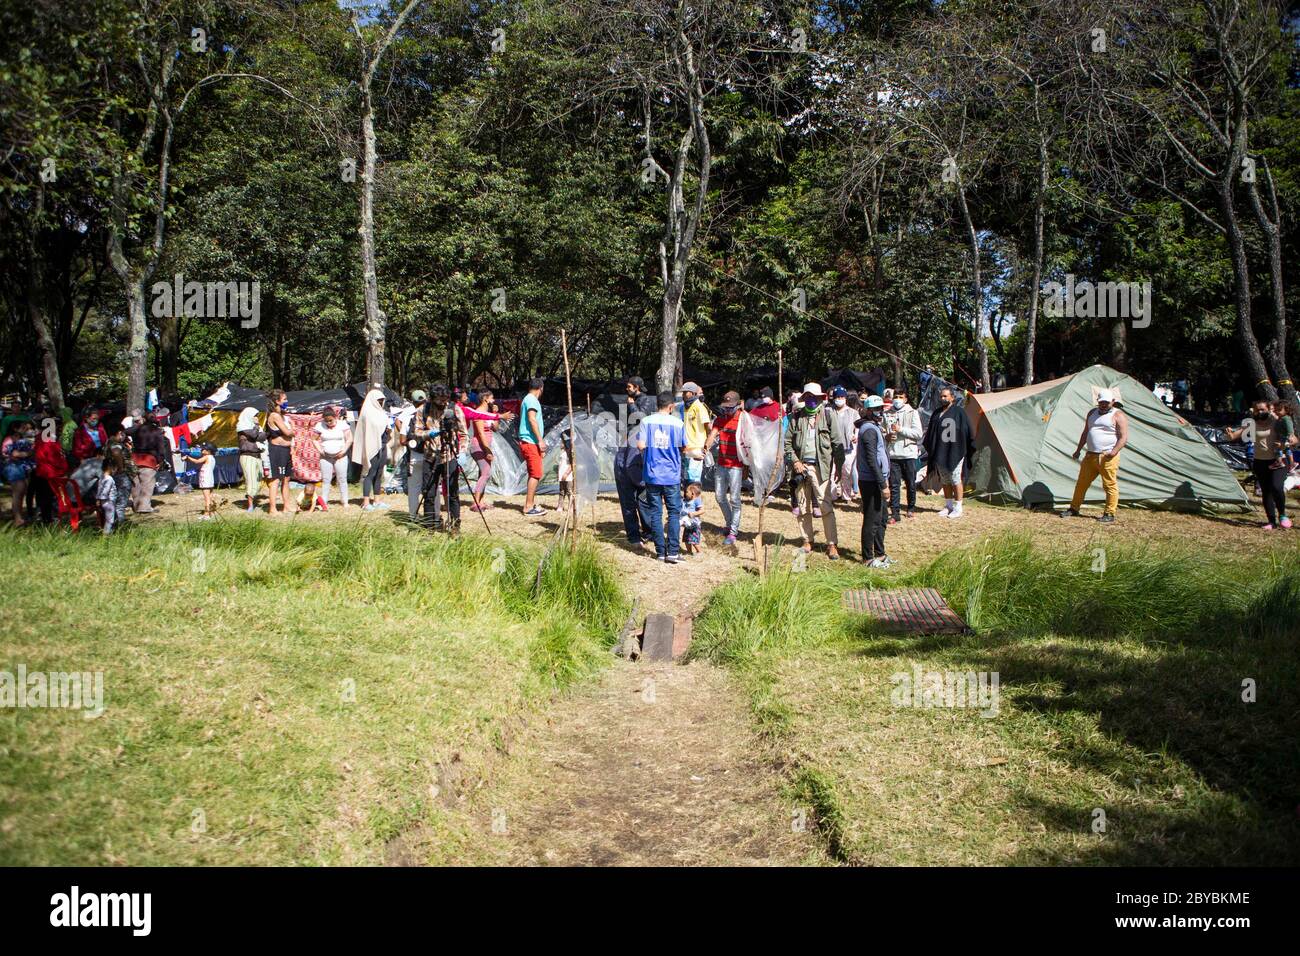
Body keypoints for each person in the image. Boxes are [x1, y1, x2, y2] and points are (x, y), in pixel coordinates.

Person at [784, 382, 844, 560]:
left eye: (814, 397)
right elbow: (787, 444)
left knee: (825, 505)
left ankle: (831, 543)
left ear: (820, 398)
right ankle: (806, 540)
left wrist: (839, 468)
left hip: (821, 467)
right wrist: (795, 461)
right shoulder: (796, 417)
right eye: (807, 397)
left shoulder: (828, 415)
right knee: (803, 506)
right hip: (800, 468)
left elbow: (837, 444)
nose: (811, 400)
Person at [1061, 388, 1128, 524]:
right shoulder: (1092, 413)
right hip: (1090, 455)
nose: (1104, 405)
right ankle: (1074, 509)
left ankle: (1109, 513)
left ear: (1113, 402)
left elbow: (1123, 437)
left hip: (1107, 456)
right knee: (1081, 484)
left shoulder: (1118, 415)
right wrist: (1078, 450)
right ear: (1098, 401)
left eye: (1107, 402)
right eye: (1101, 402)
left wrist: (1114, 452)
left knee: (1109, 485)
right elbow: (1086, 433)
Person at [637, 391, 687, 563]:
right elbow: (683, 448)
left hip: (652, 475)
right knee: (673, 512)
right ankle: (673, 552)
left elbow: (640, 445)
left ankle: (660, 552)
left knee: (655, 513)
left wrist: (651, 455)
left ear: (657, 404)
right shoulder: (678, 423)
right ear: (671, 406)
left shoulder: (645, 421)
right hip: (671, 475)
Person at [1226, 401, 1290, 529]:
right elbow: (1234, 436)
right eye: (1256, 410)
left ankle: (1282, 515)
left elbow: (1293, 438)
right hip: (1260, 461)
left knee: (1276, 487)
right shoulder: (1251, 423)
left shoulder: (1277, 421)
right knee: (1266, 491)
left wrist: (1289, 441)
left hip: (1278, 460)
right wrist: (1229, 434)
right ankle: (1271, 521)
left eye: (1262, 409)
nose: (1259, 412)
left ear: (1269, 409)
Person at [921, 387, 974, 519]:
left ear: (952, 398)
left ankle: (958, 506)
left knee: (955, 478)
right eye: (941, 396)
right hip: (940, 451)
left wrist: (962, 447)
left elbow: (966, 431)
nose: (943, 398)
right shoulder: (937, 413)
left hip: (955, 451)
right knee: (945, 479)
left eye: (945, 396)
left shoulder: (959, 412)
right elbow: (931, 433)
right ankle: (948, 505)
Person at [421, 384, 467, 530]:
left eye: (445, 399)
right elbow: (415, 431)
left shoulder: (454, 409)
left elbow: (464, 434)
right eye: (439, 400)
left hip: (450, 455)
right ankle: (429, 527)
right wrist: (428, 434)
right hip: (430, 456)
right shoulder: (424, 410)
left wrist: (463, 452)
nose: (443, 403)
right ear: (433, 398)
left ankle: (455, 527)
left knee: (453, 493)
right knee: (429, 493)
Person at [706, 390, 745, 547]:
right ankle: (729, 523)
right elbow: (712, 435)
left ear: (737, 405)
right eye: (726, 407)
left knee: (735, 499)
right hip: (721, 463)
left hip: (736, 465)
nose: (728, 410)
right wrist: (705, 448)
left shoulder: (743, 420)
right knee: (719, 496)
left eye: (731, 407)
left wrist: (748, 465)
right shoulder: (720, 420)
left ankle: (733, 531)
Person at [857, 395, 892, 567]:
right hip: (871, 481)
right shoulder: (869, 430)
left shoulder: (875, 428)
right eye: (877, 409)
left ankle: (880, 553)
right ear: (869, 411)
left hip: (878, 479)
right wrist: (883, 484)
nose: (880, 412)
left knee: (882, 517)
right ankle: (867, 558)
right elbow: (871, 460)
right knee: (872, 519)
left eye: (882, 409)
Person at [883, 386, 922, 521]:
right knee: (894, 485)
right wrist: (886, 436)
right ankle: (895, 513)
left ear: (905, 399)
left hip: (908, 454)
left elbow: (918, 433)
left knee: (911, 483)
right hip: (893, 454)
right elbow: (882, 431)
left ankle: (911, 507)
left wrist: (901, 430)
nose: (898, 400)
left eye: (900, 397)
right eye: (896, 397)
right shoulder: (887, 413)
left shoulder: (913, 412)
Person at [126, 407, 171, 514]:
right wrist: (160, 460)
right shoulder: (157, 431)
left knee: (135, 484)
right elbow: (161, 448)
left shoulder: (136, 429)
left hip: (135, 458)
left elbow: (125, 431)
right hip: (149, 460)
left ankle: (137, 505)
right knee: (147, 484)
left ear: (144, 419)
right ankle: (144, 507)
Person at [352, 388, 390, 512]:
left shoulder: (383, 413)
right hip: (372, 447)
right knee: (370, 473)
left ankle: (377, 500)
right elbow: (367, 433)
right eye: (379, 400)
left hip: (382, 446)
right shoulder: (367, 413)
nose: (381, 403)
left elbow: (387, 428)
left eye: (382, 400)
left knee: (379, 474)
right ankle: (366, 501)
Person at [614, 423, 651, 549]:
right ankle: (633, 537)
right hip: (624, 471)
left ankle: (649, 532)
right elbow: (630, 465)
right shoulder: (638, 438)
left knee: (644, 502)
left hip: (639, 471)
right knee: (629, 505)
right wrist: (644, 483)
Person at [263, 392, 297, 516]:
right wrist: (293, 429)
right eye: (285, 399)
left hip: (286, 450)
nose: (287, 401)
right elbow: (287, 433)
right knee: (276, 479)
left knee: (286, 479)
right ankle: (272, 509)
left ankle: (286, 506)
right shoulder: (274, 415)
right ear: (277, 401)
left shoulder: (283, 416)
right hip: (277, 450)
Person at [313, 406, 353, 509]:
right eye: (326, 421)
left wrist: (343, 451)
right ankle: (324, 501)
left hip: (341, 456)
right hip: (326, 457)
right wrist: (320, 451)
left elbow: (349, 439)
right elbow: (314, 439)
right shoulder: (319, 425)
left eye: (330, 420)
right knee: (326, 480)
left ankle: (345, 501)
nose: (329, 423)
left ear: (335, 417)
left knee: (342, 479)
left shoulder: (342, 425)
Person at [519, 378, 547, 516]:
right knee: (536, 474)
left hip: (530, 442)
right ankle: (528, 507)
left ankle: (530, 503)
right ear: (541, 388)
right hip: (530, 442)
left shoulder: (527, 399)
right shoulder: (531, 400)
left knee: (534, 473)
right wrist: (540, 441)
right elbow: (531, 418)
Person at [467, 390, 499, 512]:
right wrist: (487, 450)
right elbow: (480, 433)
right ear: (485, 398)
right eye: (492, 398)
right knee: (486, 472)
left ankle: (481, 501)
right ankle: (476, 503)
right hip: (479, 446)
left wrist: (495, 414)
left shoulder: (487, 413)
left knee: (484, 473)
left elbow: (495, 428)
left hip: (486, 446)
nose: (494, 400)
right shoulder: (478, 413)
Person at [401, 388, 429, 514]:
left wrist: (410, 443)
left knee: (413, 488)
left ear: (412, 402)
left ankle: (413, 516)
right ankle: (433, 516)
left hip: (414, 455)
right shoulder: (431, 414)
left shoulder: (407, 417)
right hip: (430, 455)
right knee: (431, 487)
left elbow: (402, 440)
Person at [679, 381, 712, 486]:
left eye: (686, 392)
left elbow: (708, 427)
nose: (683, 395)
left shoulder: (699, 407)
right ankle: (689, 500)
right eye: (683, 392)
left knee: (694, 477)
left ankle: (694, 502)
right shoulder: (683, 407)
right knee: (687, 476)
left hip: (697, 447)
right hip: (686, 446)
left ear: (693, 393)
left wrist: (706, 445)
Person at [236, 406, 266, 513]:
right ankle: (250, 505)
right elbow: (253, 435)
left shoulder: (256, 427)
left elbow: (262, 437)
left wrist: (257, 428)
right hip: (247, 456)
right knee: (251, 480)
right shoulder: (242, 425)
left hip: (257, 455)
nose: (257, 418)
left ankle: (249, 496)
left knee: (259, 480)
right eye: (255, 416)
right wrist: (257, 426)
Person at [831, 386, 858, 504]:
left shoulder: (853, 413)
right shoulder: (829, 411)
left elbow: (858, 427)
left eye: (842, 397)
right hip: (832, 448)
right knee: (831, 472)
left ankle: (846, 495)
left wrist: (855, 435)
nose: (839, 399)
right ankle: (831, 496)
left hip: (848, 448)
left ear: (845, 398)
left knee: (846, 472)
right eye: (837, 397)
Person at [180, 442, 217, 519]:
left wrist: (187, 457)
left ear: (209, 451)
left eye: (203, 449)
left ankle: (207, 515)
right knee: (210, 496)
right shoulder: (212, 458)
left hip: (205, 480)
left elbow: (196, 461)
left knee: (207, 498)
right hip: (210, 480)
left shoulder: (207, 457)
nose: (201, 449)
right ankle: (212, 511)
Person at [97, 452, 121, 534]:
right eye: (114, 468)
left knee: (107, 518)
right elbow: (105, 490)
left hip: (104, 502)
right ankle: (106, 535)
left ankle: (108, 532)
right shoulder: (109, 479)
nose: (115, 470)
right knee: (110, 520)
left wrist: (98, 499)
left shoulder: (102, 477)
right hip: (109, 502)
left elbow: (99, 489)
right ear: (110, 467)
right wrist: (102, 498)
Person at [681, 482, 704, 555]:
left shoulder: (697, 500)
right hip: (687, 524)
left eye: (687, 492)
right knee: (686, 539)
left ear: (693, 493)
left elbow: (702, 510)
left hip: (694, 524)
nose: (685, 493)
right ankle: (689, 551)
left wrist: (694, 514)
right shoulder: (685, 500)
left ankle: (699, 552)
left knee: (693, 540)